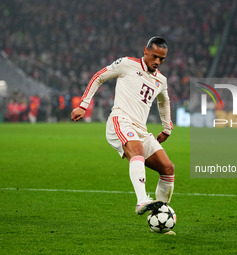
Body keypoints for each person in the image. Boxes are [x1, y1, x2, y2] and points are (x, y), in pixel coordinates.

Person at [71, 36, 175, 223]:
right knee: (137, 150)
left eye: (162, 59)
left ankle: (158, 217)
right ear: (145, 51)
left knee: (167, 168)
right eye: (154, 56)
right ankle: (142, 200)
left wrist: (167, 128)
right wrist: (83, 105)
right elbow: (99, 76)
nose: (157, 62)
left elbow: (164, 102)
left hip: (140, 129)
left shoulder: (161, 80)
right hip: (120, 120)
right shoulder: (127, 64)